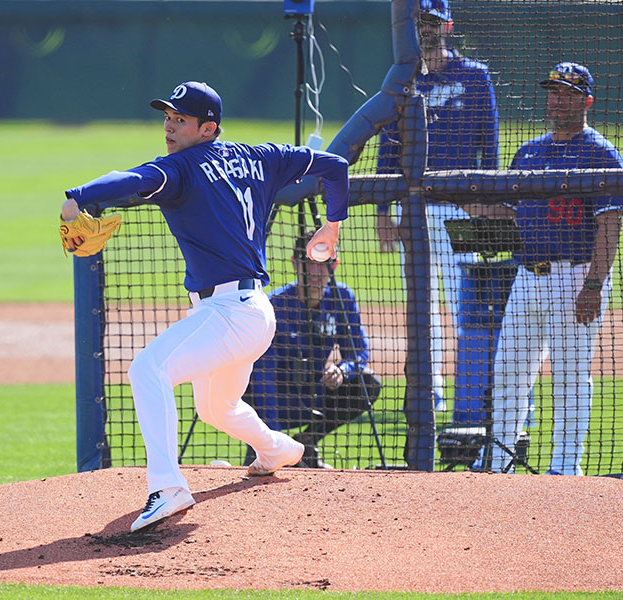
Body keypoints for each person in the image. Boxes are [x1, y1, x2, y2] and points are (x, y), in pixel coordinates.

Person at [60, 81, 350, 531]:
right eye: (167, 117)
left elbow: (135, 180)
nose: (169, 127)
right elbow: (335, 165)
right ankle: (276, 448)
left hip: (232, 314)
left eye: (180, 120)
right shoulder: (262, 156)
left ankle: (168, 487)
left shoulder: (181, 169)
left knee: (147, 369)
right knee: (217, 408)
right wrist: (331, 226)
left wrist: (79, 194)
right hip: (251, 312)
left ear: (207, 128)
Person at [465, 62, 623, 475]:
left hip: (576, 275)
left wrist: (593, 284)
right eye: (554, 91)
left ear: (587, 101)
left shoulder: (600, 152)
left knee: (570, 379)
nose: (559, 99)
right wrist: (469, 203)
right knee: (508, 374)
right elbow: (512, 214)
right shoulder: (529, 151)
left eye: (569, 93)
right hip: (527, 277)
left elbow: (610, 223)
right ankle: (499, 463)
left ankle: (564, 469)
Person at [375, 0, 499, 411]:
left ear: (447, 25)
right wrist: (381, 213)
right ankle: (429, 392)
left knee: (470, 301)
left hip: (465, 208)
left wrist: (489, 203)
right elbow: (386, 146)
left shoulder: (476, 77)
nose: (424, 29)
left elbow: (491, 147)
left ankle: (474, 389)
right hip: (412, 208)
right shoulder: (401, 77)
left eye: (430, 21)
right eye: (417, 22)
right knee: (420, 302)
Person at [245, 231, 381, 468]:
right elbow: (263, 376)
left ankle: (306, 442)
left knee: (367, 384)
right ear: (295, 263)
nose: (316, 273)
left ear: (334, 264)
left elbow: (359, 352)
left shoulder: (342, 298)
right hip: (271, 398)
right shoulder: (274, 305)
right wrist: (275, 440)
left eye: (324, 264)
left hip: (313, 395)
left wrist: (342, 370)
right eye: (309, 263)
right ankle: (272, 448)